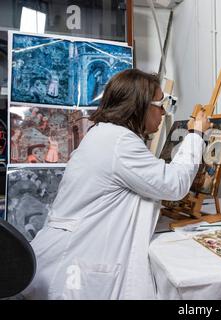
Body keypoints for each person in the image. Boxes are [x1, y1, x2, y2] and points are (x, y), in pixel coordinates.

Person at [22, 69, 211, 300]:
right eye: (160, 104)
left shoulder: (105, 134)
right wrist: (196, 135)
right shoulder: (119, 142)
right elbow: (174, 184)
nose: (163, 112)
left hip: (63, 253)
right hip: (73, 264)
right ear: (139, 105)